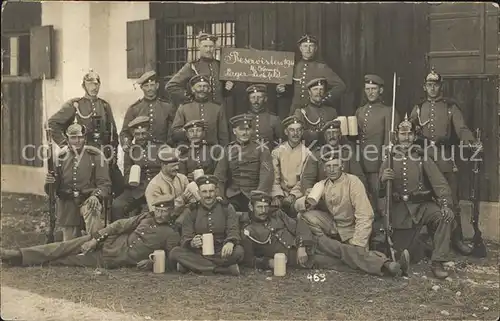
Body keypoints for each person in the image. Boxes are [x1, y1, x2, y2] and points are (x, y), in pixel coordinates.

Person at [242, 190, 409, 277]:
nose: (264, 211)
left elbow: (300, 225)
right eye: (259, 207)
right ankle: (388, 268)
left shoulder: (277, 214)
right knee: (337, 264)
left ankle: (387, 264)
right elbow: (249, 259)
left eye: (265, 207)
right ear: (251, 207)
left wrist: (301, 246)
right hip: (299, 259)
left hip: (313, 242)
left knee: (345, 250)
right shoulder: (248, 231)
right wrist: (267, 263)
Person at [0, 197, 181, 271]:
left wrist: (153, 262)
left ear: (171, 212)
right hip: (106, 241)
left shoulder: (171, 233)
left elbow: (172, 256)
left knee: (63, 260)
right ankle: (18, 254)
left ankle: (20, 261)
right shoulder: (145, 217)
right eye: (158, 209)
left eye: (165, 211)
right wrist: (96, 239)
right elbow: (118, 225)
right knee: (64, 246)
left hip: (110, 260)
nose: (161, 214)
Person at [379, 115, 460, 279]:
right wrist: (382, 180)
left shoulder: (422, 157)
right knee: (409, 254)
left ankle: (438, 261)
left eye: (409, 134)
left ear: (415, 137)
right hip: (400, 210)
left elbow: (440, 183)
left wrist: (445, 204)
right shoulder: (388, 159)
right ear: (397, 136)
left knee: (444, 217)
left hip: (423, 206)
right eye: (402, 134)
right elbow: (380, 193)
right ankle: (425, 248)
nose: (406, 138)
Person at [409, 68, 478, 256]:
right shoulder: (418, 107)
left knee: (450, 200)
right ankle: (431, 239)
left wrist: (470, 140)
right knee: (425, 198)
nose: (432, 88)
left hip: (444, 158)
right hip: (423, 158)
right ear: (424, 87)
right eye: (429, 85)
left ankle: (456, 239)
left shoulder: (450, 107)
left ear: (441, 87)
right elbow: (408, 128)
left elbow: (461, 128)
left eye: (436, 85)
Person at [47, 69, 123, 197]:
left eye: (96, 84)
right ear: (83, 86)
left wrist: (112, 156)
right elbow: (52, 123)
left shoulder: (104, 106)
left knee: (116, 186)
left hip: (102, 154)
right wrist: (66, 145)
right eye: (90, 84)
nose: (94, 87)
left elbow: (113, 134)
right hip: (82, 154)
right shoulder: (75, 105)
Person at [45, 121, 111, 241]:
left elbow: (104, 184)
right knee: (69, 245)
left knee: (93, 207)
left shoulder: (95, 155)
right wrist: (50, 182)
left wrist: (96, 196)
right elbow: (54, 187)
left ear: (84, 138)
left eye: (80, 137)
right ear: (67, 139)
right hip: (68, 204)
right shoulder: (61, 157)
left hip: (87, 200)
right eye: (73, 138)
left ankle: (95, 244)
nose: (77, 141)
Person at [169, 175, 244, 275]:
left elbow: (233, 228)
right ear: (199, 193)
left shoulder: (226, 208)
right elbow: (186, 235)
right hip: (199, 251)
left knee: (239, 252)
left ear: (216, 191)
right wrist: (192, 242)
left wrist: (230, 242)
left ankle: (192, 266)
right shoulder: (192, 210)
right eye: (204, 192)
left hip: (221, 250)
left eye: (211, 191)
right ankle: (221, 270)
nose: (208, 195)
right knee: (175, 252)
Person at [299, 151, 373, 250]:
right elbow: (299, 206)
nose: (332, 170)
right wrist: (307, 201)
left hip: (352, 230)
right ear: (324, 168)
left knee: (358, 259)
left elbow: (365, 215)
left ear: (342, 166)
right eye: (328, 166)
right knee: (304, 216)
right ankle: (326, 243)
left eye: (335, 166)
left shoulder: (353, 182)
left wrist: (358, 243)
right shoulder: (323, 184)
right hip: (334, 227)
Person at [355, 74, 401, 215]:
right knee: (363, 203)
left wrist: (384, 165)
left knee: (380, 203)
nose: (370, 92)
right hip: (360, 166)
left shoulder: (388, 111)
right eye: (368, 89)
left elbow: (390, 143)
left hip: (377, 166)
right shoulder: (359, 111)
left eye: (374, 89)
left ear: (380, 90)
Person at [214, 113, 274, 213]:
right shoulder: (227, 150)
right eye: (241, 129)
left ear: (251, 131)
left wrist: (258, 196)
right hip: (233, 195)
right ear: (234, 131)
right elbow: (219, 176)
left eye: (248, 129)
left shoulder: (261, 149)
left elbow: (266, 176)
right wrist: (219, 195)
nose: (245, 133)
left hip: (254, 195)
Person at [111, 116, 165, 222]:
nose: (141, 137)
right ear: (133, 135)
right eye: (137, 134)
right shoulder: (130, 151)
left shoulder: (161, 147)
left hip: (158, 187)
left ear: (149, 131)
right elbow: (126, 175)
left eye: (143, 133)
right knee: (117, 205)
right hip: (137, 189)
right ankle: (120, 235)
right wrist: (133, 183)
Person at [276, 34, 345, 116]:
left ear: (315, 49)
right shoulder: (293, 66)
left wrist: (324, 98)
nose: (308, 49)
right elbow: (290, 91)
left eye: (311, 46)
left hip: (315, 112)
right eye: (305, 46)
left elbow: (340, 86)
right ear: (300, 48)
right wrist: (280, 90)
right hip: (295, 112)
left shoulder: (322, 68)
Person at [165, 32, 234, 107]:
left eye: (211, 46)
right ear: (199, 47)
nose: (208, 49)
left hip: (218, 110)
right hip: (198, 108)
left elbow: (223, 92)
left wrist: (228, 89)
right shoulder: (192, 66)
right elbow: (171, 86)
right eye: (205, 46)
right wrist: (190, 97)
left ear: (214, 47)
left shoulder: (220, 65)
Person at [301, 119, 367, 193]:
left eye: (335, 133)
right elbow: (307, 178)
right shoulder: (316, 155)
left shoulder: (348, 154)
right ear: (325, 136)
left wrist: (357, 192)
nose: (332, 136)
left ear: (340, 135)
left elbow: (359, 177)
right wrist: (308, 191)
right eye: (329, 133)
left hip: (345, 194)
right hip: (323, 194)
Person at [119, 71, 176, 150]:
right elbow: (125, 132)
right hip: (141, 151)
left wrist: (170, 146)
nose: (149, 89)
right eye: (146, 86)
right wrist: (127, 144)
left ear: (157, 86)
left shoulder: (167, 107)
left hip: (162, 150)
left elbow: (174, 130)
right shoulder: (134, 109)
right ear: (141, 88)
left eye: (152, 85)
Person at [170, 74, 229, 146]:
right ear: (193, 89)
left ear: (209, 89)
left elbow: (223, 135)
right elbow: (175, 133)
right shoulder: (184, 107)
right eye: (199, 86)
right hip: (189, 150)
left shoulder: (217, 108)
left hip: (212, 150)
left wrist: (223, 151)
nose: (202, 89)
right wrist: (189, 132)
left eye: (205, 86)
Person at [270, 116, 312, 217]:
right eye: (292, 130)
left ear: (302, 132)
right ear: (286, 132)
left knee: (297, 210)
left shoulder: (307, 153)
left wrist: (293, 195)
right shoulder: (277, 152)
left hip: (298, 193)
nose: (295, 133)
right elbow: (275, 177)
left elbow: (304, 179)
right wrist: (277, 195)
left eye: (298, 130)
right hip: (281, 192)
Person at [144, 146, 195, 224]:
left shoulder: (182, 178)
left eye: (178, 165)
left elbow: (192, 203)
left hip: (184, 219)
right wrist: (182, 200)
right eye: (173, 166)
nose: (177, 168)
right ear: (163, 165)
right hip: (163, 223)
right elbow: (157, 214)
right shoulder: (154, 185)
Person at [293, 78, 338, 147]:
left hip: (329, 149)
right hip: (309, 150)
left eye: (321, 89)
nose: (318, 92)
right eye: (315, 89)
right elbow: (300, 134)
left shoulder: (332, 111)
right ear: (309, 92)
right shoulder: (301, 112)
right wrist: (319, 134)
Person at [246, 84, 282, 148]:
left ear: (265, 99)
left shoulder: (274, 119)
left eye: (259, 97)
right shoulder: (244, 119)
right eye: (253, 97)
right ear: (249, 99)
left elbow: (280, 142)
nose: (256, 100)